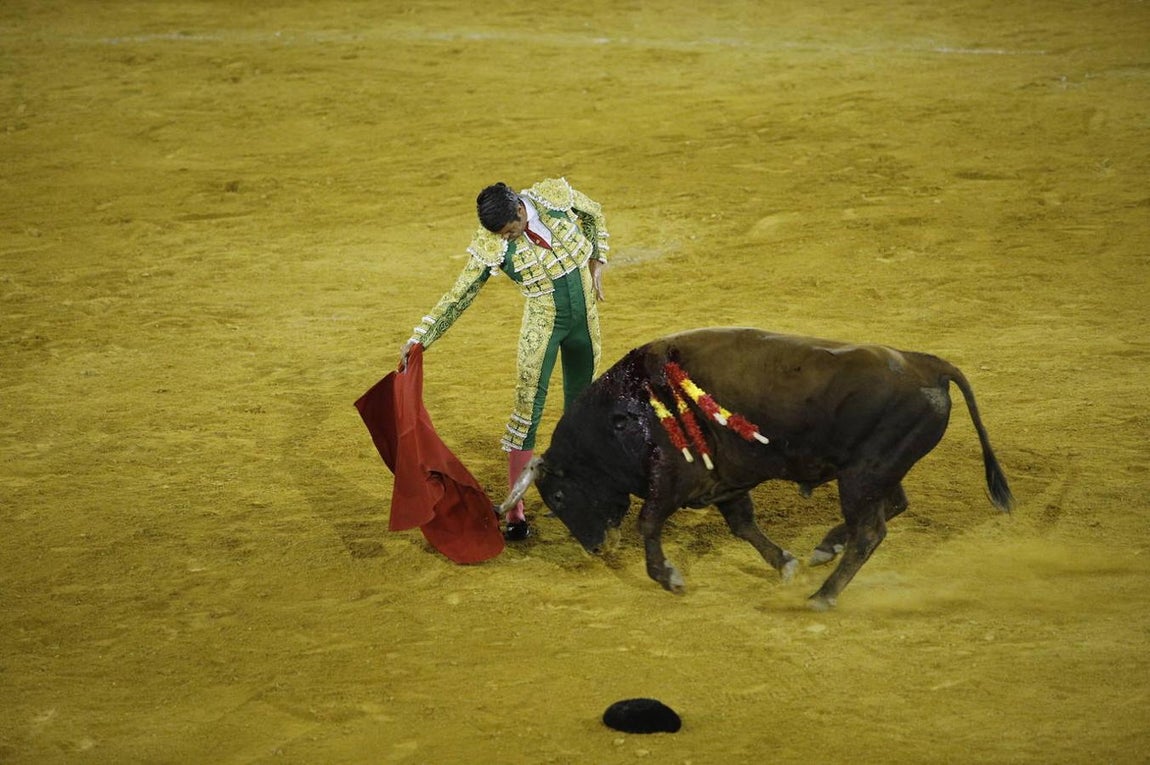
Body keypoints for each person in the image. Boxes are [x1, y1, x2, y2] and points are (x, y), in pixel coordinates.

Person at [399, 178, 609, 541]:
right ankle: (515, 512)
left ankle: (580, 492)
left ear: (520, 209)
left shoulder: (554, 198)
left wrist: (597, 260)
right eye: (502, 235)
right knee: (526, 414)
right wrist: (421, 337)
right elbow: (461, 293)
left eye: (511, 230)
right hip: (542, 328)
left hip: (586, 325)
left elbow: (593, 213)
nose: (507, 238)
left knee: (583, 408)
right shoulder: (492, 242)